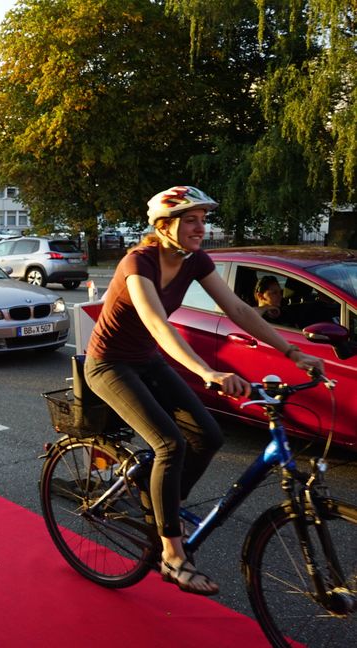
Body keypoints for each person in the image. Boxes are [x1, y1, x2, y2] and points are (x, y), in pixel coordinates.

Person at [83, 186, 324, 597]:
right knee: (169, 445)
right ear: (164, 227)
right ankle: (173, 556)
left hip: (146, 360)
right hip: (109, 364)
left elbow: (240, 309)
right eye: (191, 220)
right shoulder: (137, 263)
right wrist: (207, 371)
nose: (201, 227)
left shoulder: (196, 260)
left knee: (208, 434)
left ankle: (162, 508)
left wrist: (292, 352)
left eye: (203, 219)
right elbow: (158, 324)